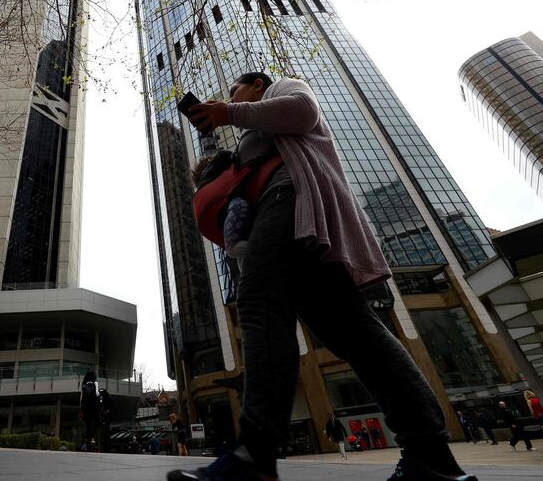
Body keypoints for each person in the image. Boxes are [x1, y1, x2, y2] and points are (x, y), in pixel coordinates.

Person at [167, 73, 477, 481]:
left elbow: (303, 110)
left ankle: (254, 455)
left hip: (291, 202)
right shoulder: (253, 126)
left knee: (259, 303)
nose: (229, 98)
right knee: (358, 337)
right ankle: (431, 456)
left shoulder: (284, 89)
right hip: (299, 225)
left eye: (235, 90)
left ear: (258, 85)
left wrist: (227, 113)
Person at [192, 155, 254, 258]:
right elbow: (223, 156)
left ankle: (236, 250)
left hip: (225, 216)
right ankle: (232, 243)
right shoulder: (213, 169)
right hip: (232, 204)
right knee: (238, 205)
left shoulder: (206, 188)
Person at [79, 370, 101, 451]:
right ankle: (90, 437)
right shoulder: (95, 383)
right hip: (94, 408)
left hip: (86, 409)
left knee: (88, 426)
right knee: (98, 423)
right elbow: (97, 394)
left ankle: (87, 444)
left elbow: (81, 398)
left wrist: (81, 409)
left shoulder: (84, 385)